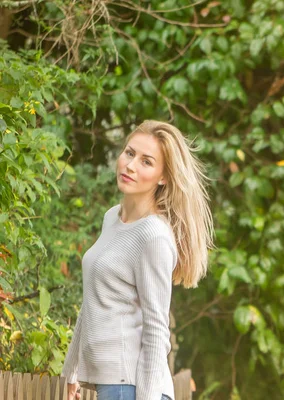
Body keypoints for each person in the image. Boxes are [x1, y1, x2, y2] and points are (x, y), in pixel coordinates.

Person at [60, 120, 215, 400]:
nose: (130, 165)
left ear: (163, 177)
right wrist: (71, 369)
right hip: (114, 385)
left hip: (133, 386)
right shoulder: (112, 218)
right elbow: (93, 298)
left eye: (146, 161)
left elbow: (157, 330)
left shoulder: (153, 236)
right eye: (129, 153)